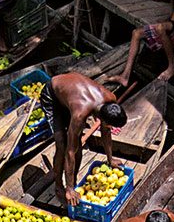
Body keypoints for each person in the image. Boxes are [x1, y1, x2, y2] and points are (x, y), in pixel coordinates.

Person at [46, 72, 128, 206]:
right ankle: (59, 186)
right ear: (102, 120)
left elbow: (106, 131)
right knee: (62, 144)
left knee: (77, 144)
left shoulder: (111, 99)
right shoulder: (80, 115)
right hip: (53, 94)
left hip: (71, 97)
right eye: (110, 125)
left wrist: (110, 159)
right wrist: (69, 188)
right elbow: (70, 152)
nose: (109, 128)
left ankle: (73, 182)